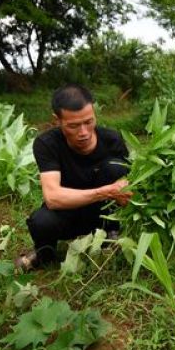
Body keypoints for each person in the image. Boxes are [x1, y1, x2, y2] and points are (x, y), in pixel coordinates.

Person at [16, 84, 131, 270]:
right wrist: (105, 192)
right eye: (73, 126)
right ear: (57, 120)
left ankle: (112, 235)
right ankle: (45, 253)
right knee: (41, 222)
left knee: (115, 167)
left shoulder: (112, 140)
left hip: (102, 215)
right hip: (67, 213)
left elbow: (127, 186)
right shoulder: (47, 144)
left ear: (94, 112)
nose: (84, 132)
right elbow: (53, 198)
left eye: (89, 122)